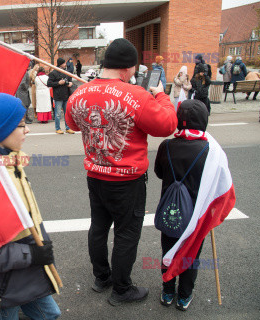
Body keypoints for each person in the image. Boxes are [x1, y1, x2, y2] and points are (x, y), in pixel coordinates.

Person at [65, 38, 177, 306]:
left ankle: (101, 277)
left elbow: (72, 123)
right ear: (128, 69)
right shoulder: (137, 95)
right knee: (127, 233)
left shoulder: (78, 94)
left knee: (99, 227)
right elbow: (167, 124)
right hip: (126, 179)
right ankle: (121, 289)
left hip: (95, 174)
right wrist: (160, 94)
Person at [0, 92, 61, 320]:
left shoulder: (12, 162)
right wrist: (31, 254)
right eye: (21, 125)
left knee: (50, 315)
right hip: (5, 284)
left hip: (30, 270)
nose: (28, 130)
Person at [154, 99, 210, 311]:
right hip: (196, 214)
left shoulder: (166, 145)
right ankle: (184, 295)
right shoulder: (208, 149)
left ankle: (168, 290)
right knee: (192, 253)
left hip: (171, 211)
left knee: (168, 250)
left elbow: (159, 173)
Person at [47, 58, 75, 134]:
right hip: (58, 96)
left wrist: (70, 83)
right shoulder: (53, 73)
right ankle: (58, 128)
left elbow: (69, 80)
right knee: (58, 114)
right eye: (64, 63)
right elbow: (49, 83)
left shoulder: (66, 72)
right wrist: (58, 83)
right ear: (60, 64)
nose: (65, 64)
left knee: (67, 113)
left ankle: (68, 128)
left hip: (66, 95)